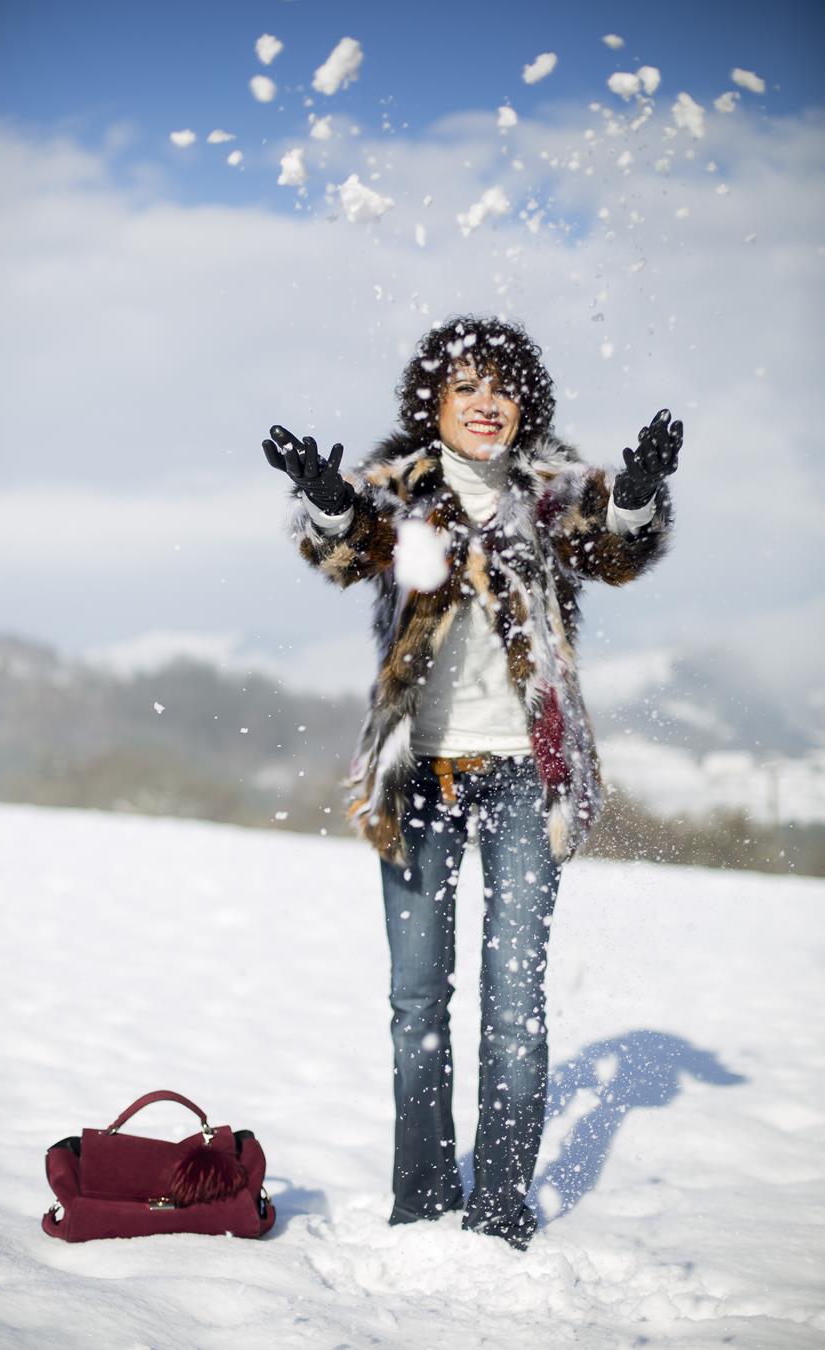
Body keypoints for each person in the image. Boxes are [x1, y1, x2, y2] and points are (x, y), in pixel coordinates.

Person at [262, 314, 681, 1252]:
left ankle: (498, 1204)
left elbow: (611, 549)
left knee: (514, 998)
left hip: (527, 779)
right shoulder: (399, 493)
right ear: (433, 405)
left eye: (503, 387)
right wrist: (329, 500)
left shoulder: (552, 491)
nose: (486, 403)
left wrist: (638, 498)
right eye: (465, 388)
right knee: (417, 997)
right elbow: (346, 546)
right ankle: (420, 1198)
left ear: (523, 404)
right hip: (419, 780)